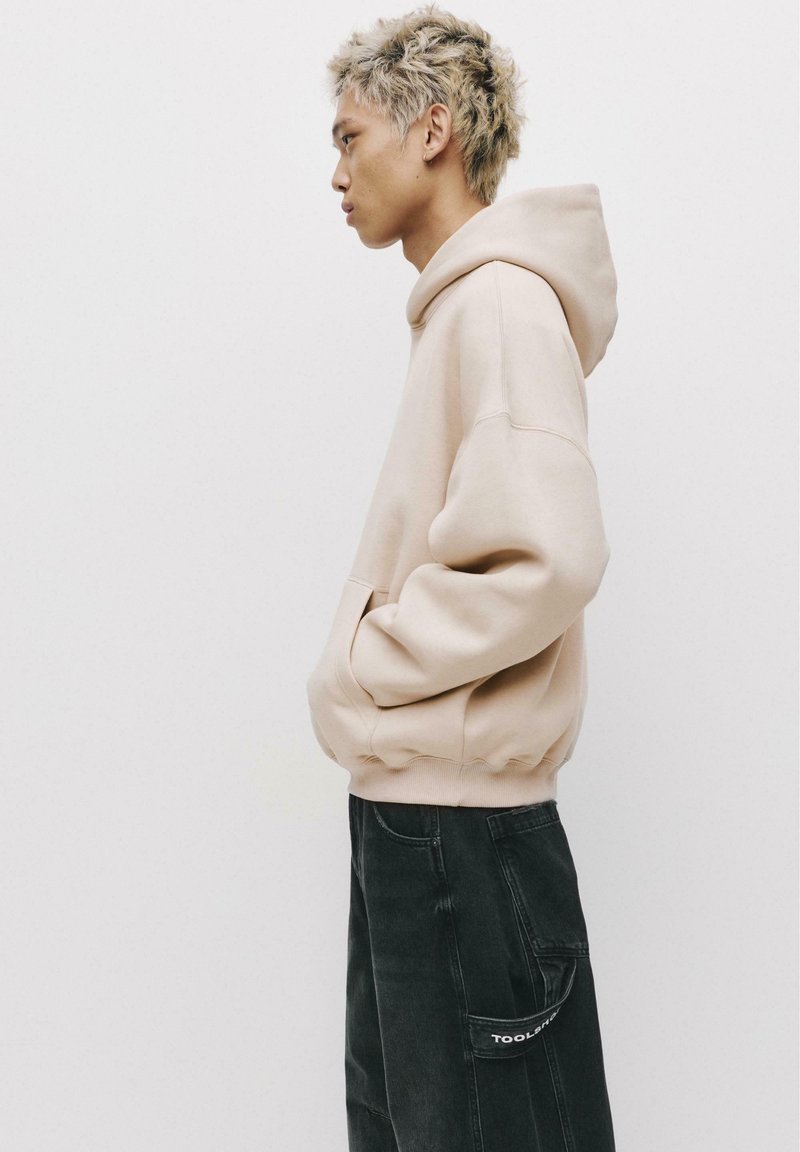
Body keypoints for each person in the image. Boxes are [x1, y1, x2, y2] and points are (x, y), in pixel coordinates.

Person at [306, 6, 619, 1150]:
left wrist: (366, 659)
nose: (335, 173)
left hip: (460, 838)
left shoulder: (497, 302)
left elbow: (549, 554)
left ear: (430, 130)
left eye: (349, 139)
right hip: (424, 824)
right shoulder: (462, 307)